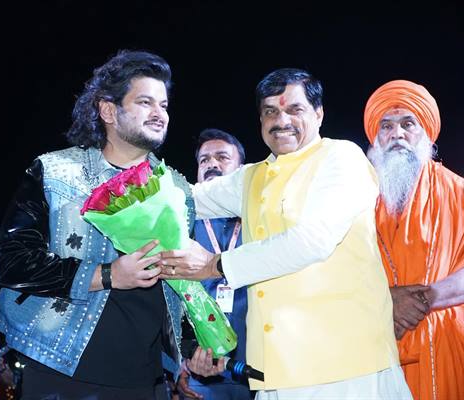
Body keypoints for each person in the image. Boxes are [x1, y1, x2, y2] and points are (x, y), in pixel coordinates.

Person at [158, 68, 412, 399]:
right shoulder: (251, 177)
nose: (281, 121)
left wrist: (214, 265)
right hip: (276, 373)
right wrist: (126, 185)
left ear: (318, 114)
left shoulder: (341, 158)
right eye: (270, 112)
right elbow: (185, 199)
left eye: (295, 109)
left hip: (346, 370)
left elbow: (312, 241)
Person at [0, 50, 194, 400]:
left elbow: (180, 285)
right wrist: (106, 274)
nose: (159, 113)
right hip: (60, 372)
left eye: (163, 105)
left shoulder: (177, 189)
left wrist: (194, 348)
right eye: (145, 102)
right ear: (108, 111)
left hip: (147, 381)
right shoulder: (54, 172)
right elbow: (12, 262)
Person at [363, 79, 464, 400]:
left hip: (444, 342)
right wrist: (384, 302)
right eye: (386, 126)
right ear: (375, 138)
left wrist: (424, 299)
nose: (397, 134)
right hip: (372, 342)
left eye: (408, 124)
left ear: (426, 134)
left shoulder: (458, 191)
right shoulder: (356, 196)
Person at [176, 128, 251, 400]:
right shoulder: (182, 224)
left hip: (259, 370)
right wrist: (179, 363)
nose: (212, 164)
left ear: (241, 170)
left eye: (222, 157)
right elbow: (169, 300)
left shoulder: (257, 218)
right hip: (200, 372)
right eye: (204, 160)